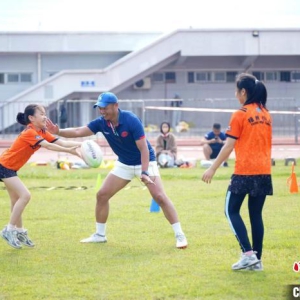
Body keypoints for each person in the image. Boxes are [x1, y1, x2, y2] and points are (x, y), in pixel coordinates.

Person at [46, 92, 188, 249]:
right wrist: (57, 131)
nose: (102, 111)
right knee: (101, 195)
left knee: (160, 197)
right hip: (124, 164)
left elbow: (144, 149)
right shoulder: (102, 123)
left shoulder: (131, 120)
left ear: (115, 106)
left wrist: (145, 172)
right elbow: (79, 131)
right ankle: (100, 235)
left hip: (144, 161)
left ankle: (179, 235)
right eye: (99, 108)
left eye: (105, 108)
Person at [202, 73, 272, 271]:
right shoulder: (266, 114)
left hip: (245, 171)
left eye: (236, 90)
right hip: (264, 171)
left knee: (230, 210)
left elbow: (228, 146)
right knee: (256, 215)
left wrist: (212, 168)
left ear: (243, 92)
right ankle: (257, 260)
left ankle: (248, 254)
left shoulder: (240, 113)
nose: (235, 94)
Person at [0, 104, 82, 249]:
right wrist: (69, 151)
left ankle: (19, 232)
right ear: (31, 118)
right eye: (42, 113)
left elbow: (60, 141)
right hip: (4, 166)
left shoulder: (42, 131)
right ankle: (9, 229)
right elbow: (48, 146)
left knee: (16, 199)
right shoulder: (30, 132)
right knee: (25, 195)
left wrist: (84, 144)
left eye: (45, 113)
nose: (45, 116)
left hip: (10, 168)